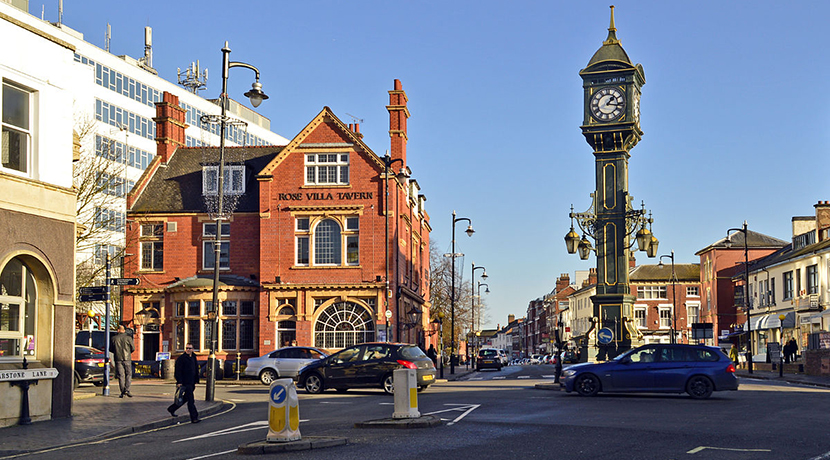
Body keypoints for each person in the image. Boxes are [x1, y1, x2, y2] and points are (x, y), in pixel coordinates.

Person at [168, 342, 200, 423]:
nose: (188, 350)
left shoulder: (194, 357)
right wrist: (179, 381)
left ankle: (172, 408)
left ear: (192, 349)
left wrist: (197, 379)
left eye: (189, 348)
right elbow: (178, 371)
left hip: (192, 382)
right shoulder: (181, 358)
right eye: (187, 348)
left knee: (185, 398)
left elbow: (195, 369)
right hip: (184, 382)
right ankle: (194, 417)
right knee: (191, 400)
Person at [111, 325, 134, 398]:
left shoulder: (114, 338)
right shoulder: (128, 338)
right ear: (124, 330)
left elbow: (110, 348)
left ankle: (122, 391)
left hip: (118, 358)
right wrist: (128, 352)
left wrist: (116, 352)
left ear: (118, 330)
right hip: (127, 358)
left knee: (121, 375)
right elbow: (133, 348)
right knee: (128, 374)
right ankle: (127, 389)